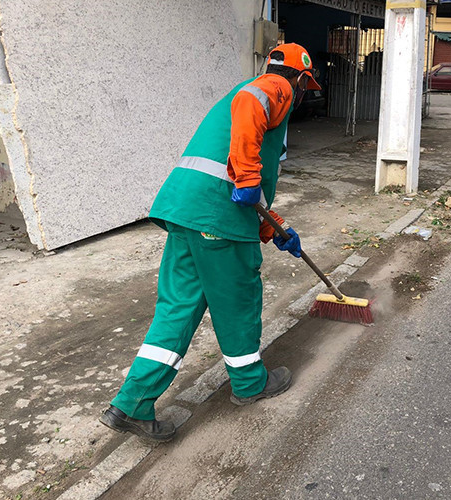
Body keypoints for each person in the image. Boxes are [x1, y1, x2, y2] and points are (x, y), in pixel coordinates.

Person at [99, 43, 321, 441]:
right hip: (218, 219)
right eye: (307, 87)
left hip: (185, 211)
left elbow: (251, 191)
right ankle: (251, 384)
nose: (304, 95)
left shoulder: (252, 108)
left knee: (177, 309)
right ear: (301, 79)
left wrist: (276, 230)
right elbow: (247, 152)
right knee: (238, 302)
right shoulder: (273, 87)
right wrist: (250, 179)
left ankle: (131, 404)